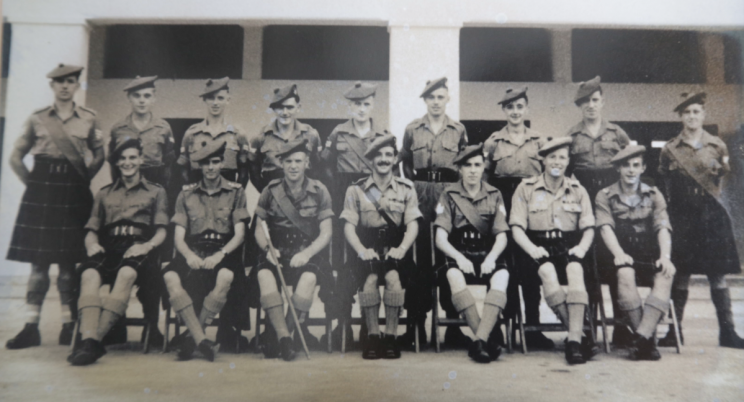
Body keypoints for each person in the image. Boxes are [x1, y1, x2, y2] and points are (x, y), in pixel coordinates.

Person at [6, 64, 105, 349]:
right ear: (52, 86)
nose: (65, 86)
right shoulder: (37, 118)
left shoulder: (89, 119)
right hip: (42, 196)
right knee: (38, 265)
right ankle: (30, 326)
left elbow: (100, 154)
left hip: (72, 195)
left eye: (70, 82)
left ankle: (67, 325)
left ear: (76, 86)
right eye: (60, 82)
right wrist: (34, 186)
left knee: (67, 265)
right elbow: (15, 157)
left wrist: (82, 179)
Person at [67, 139, 167, 365]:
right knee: (88, 274)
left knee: (127, 274)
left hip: (139, 247)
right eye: (122, 158)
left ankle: (92, 342)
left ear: (141, 160)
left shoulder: (156, 192)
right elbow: (91, 230)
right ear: (116, 163)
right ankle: (90, 340)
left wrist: (147, 246)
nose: (127, 162)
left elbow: (162, 231)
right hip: (110, 246)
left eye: (132, 157)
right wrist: (91, 244)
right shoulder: (104, 193)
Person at [656, 92, 744, 349]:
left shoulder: (717, 145)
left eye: (696, 111)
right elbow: (664, 181)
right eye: (687, 112)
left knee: (717, 275)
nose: (692, 116)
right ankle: (675, 331)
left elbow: (721, 177)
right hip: (683, 216)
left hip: (711, 216)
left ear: (703, 115)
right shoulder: (670, 149)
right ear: (681, 117)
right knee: (680, 274)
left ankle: (727, 332)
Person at [510, 137, 598, 365]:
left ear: (568, 161)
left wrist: (581, 248)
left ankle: (573, 341)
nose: (557, 162)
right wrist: (531, 249)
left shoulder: (579, 190)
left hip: (569, 245)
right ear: (543, 160)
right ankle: (578, 338)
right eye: (552, 157)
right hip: (536, 246)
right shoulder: (526, 188)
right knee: (548, 272)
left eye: (562, 157)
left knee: (576, 270)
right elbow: (517, 228)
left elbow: (589, 228)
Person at [162, 140, 248, 361]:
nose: (211, 167)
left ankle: (192, 338)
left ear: (222, 164)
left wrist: (220, 255)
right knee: (170, 276)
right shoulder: (185, 195)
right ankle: (202, 340)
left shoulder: (236, 192)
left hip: (224, 251)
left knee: (226, 275)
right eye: (206, 163)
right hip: (194, 250)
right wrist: (189, 255)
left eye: (216, 162)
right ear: (199, 166)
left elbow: (239, 234)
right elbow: (178, 237)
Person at [320, 82, 391, 349]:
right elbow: (324, 165)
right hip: (345, 197)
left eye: (365, 104)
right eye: (355, 105)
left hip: (372, 198)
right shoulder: (338, 133)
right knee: (342, 263)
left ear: (373, 105)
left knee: (367, 260)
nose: (361, 109)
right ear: (349, 106)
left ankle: (366, 324)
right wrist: (338, 195)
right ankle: (343, 324)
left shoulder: (383, 133)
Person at [399, 77, 468, 348]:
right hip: (420, 194)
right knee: (419, 260)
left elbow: (464, 164)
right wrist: (413, 188)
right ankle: (417, 325)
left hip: (449, 194)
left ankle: (452, 326)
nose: (436, 102)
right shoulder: (413, 129)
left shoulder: (458, 130)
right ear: (424, 101)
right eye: (431, 98)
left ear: (448, 98)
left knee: (447, 256)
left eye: (440, 97)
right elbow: (404, 162)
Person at [483, 86, 553, 350]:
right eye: (510, 107)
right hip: (502, 203)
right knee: (504, 267)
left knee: (531, 265)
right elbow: (486, 178)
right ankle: (502, 326)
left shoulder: (539, 141)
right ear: (504, 110)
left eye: (519, 106)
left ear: (527, 108)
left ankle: (532, 328)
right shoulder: (493, 142)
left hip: (531, 206)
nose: (515, 112)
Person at [108, 74, 174, 348]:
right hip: (125, 197)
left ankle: (152, 325)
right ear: (130, 98)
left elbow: (170, 168)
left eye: (147, 95)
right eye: (137, 96)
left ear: (154, 98)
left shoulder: (163, 128)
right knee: (117, 256)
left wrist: (158, 198)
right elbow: (114, 168)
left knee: (153, 266)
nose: (142, 100)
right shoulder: (118, 128)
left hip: (154, 198)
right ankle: (116, 323)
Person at [340, 134, 421, 359]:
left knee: (394, 278)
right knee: (371, 279)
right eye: (379, 156)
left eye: (388, 155)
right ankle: (373, 337)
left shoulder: (407, 189)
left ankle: (391, 337)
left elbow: (413, 225)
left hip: (396, 246)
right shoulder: (356, 190)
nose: (384, 160)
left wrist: (403, 248)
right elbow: (349, 227)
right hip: (367, 246)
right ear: (371, 160)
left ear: (395, 159)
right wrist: (361, 250)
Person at [566, 76, 632, 346]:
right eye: (585, 102)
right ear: (580, 106)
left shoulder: (617, 134)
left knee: (615, 263)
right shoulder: (571, 136)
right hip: (583, 202)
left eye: (595, 100)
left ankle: (621, 327)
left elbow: (629, 168)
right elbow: (567, 175)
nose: (590, 106)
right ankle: (589, 326)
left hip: (612, 204)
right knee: (588, 266)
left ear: (602, 102)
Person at [253, 139, 333, 361]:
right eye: (288, 161)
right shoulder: (270, 191)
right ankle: (285, 339)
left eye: (298, 161)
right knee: (264, 274)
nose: (293, 166)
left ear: (307, 162)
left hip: (307, 251)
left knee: (308, 278)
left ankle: (281, 335)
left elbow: (326, 233)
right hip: (276, 250)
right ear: (281, 163)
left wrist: (307, 253)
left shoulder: (319, 191)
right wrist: (267, 249)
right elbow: (259, 229)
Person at [595, 145, 675, 360]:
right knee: (625, 274)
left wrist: (665, 256)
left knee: (666, 274)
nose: (631, 170)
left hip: (648, 251)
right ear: (618, 169)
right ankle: (648, 341)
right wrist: (619, 254)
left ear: (643, 168)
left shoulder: (654, 194)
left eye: (636, 165)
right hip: (618, 253)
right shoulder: (605, 195)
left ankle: (642, 338)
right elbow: (605, 228)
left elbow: (663, 227)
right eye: (626, 166)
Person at [434, 144, 510, 363]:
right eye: (467, 165)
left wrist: (491, 258)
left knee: (502, 276)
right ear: (459, 169)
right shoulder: (448, 194)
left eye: (477, 165)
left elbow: (502, 236)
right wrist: (458, 257)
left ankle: (479, 341)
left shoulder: (494, 194)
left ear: (484, 167)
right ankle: (484, 338)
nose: (473, 170)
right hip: (458, 252)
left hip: (487, 252)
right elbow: (440, 238)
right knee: (453, 275)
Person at [248, 84, 322, 192]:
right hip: (273, 196)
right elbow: (254, 174)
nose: (285, 112)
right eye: (280, 107)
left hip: (304, 196)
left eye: (290, 107)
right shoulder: (260, 138)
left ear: (298, 108)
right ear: (273, 109)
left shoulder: (311, 135)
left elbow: (317, 168)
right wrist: (268, 195)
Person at [177, 77, 250, 186]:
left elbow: (244, 172)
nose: (215, 103)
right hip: (198, 194)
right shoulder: (191, 134)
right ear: (204, 100)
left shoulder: (238, 134)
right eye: (211, 98)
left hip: (228, 195)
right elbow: (183, 168)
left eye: (220, 98)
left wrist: (236, 197)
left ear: (228, 100)